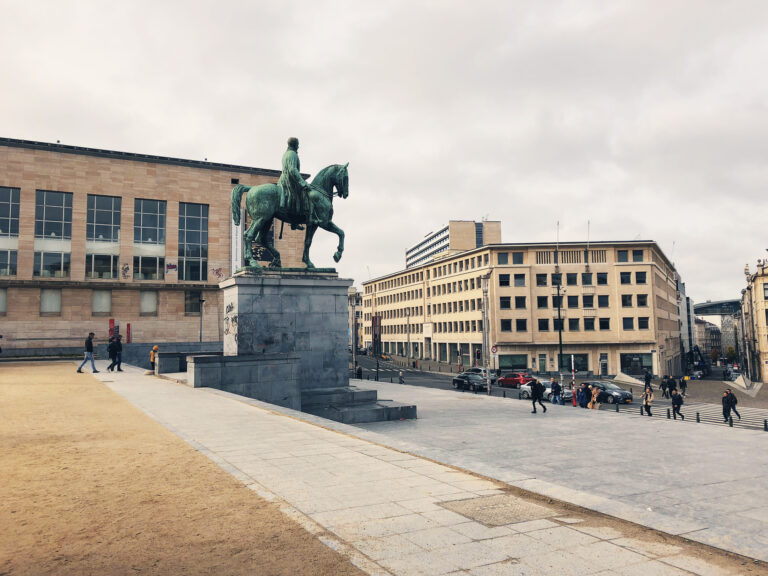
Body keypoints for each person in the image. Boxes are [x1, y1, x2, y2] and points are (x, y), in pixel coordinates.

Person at [277, 137, 317, 230]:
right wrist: (303, 183)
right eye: (297, 144)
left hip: (284, 179)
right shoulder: (292, 154)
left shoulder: (286, 154)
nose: (298, 146)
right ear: (294, 145)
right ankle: (305, 219)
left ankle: (294, 221)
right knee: (307, 194)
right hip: (290, 180)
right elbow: (293, 170)